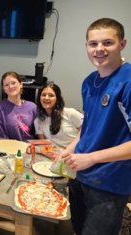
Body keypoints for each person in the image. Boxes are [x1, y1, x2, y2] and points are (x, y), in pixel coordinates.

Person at [61, 18, 131, 235]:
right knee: (78, 228)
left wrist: (90, 158)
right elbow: (88, 125)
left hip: (109, 182)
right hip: (80, 174)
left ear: (122, 44)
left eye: (107, 43)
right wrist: (71, 147)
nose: (99, 49)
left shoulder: (127, 82)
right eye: (93, 44)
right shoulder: (89, 82)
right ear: (87, 47)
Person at [0, 71, 37, 141]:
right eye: (6, 85)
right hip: (9, 149)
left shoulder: (32, 107)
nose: (10, 86)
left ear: (21, 84)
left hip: (30, 149)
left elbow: (38, 133)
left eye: (13, 83)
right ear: (4, 89)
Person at [34, 83, 83, 148]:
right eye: (43, 95)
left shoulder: (70, 113)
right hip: (56, 155)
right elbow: (45, 146)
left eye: (51, 95)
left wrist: (70, 149)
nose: (46, 98)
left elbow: (86, 128)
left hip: (77, 153)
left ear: (57, 99)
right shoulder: (38, 121)